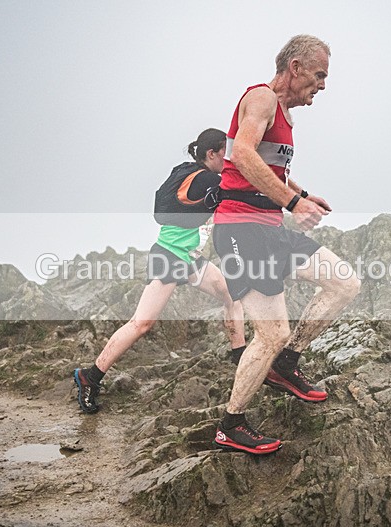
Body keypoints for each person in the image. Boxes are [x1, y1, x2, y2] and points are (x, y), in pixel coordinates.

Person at [211, 35, 361, 454]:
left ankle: (286, 364)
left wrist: (302, 192)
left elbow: (266, 164)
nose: (323, 85)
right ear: (294, 67)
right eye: (319, 75)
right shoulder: (261, 98)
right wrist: (294, 203)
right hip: (239, 228)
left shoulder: (284, 117)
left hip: (270, 228)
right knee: (272, 331)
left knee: (345, 283)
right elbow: (241, 154)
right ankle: (231, 424)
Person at [74, 128, 246, 414]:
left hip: (189, 257)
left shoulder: (186, 171)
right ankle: (90, 377)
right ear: (211, 154)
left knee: (231, 293)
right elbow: (235, 191)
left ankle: (240, 357)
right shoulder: (206, 179)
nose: (226, 158)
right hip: (169, 256)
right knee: (142, 324)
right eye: (223, 152)